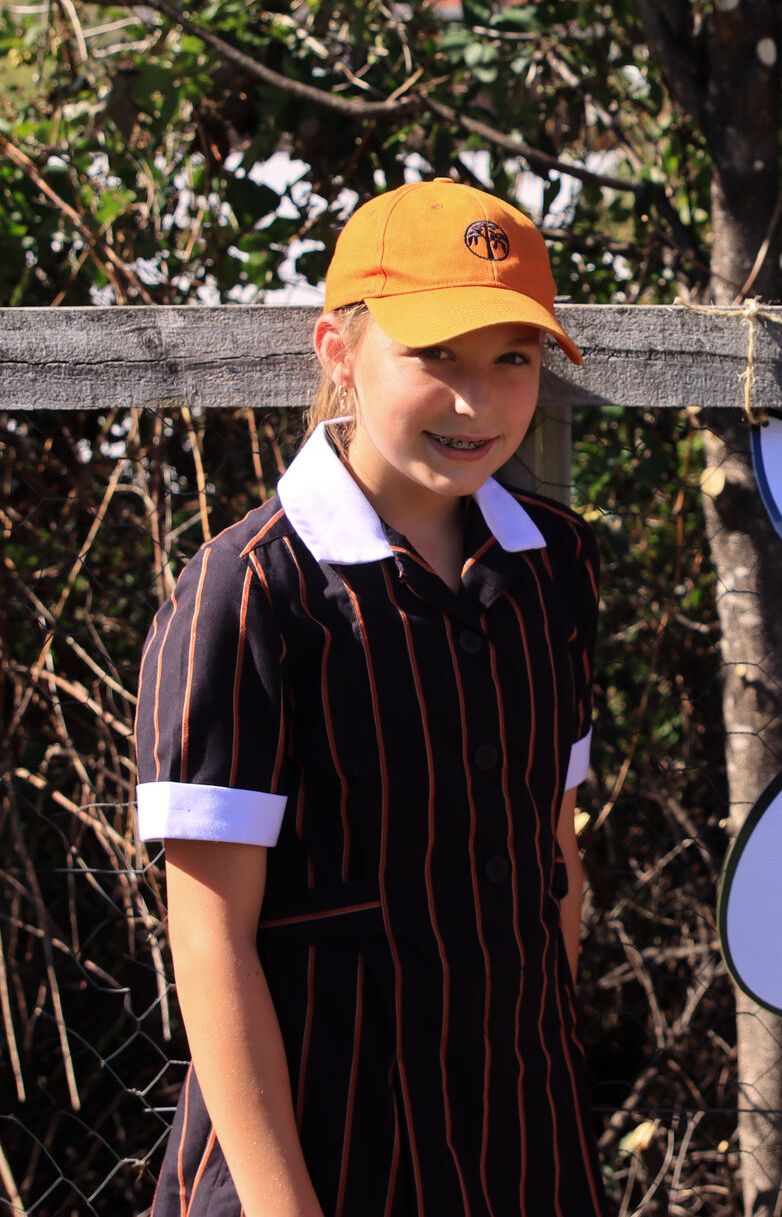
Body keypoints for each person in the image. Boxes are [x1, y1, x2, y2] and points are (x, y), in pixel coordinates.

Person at [138, 179, 605, 1216]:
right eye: (435, 356)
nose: (477, 402)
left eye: (514, 359)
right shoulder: (248, 591)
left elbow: (556, 851)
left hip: (523, 1143)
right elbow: (209, 941)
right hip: (323, 1155)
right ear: (339, 353)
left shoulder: (556, 564)